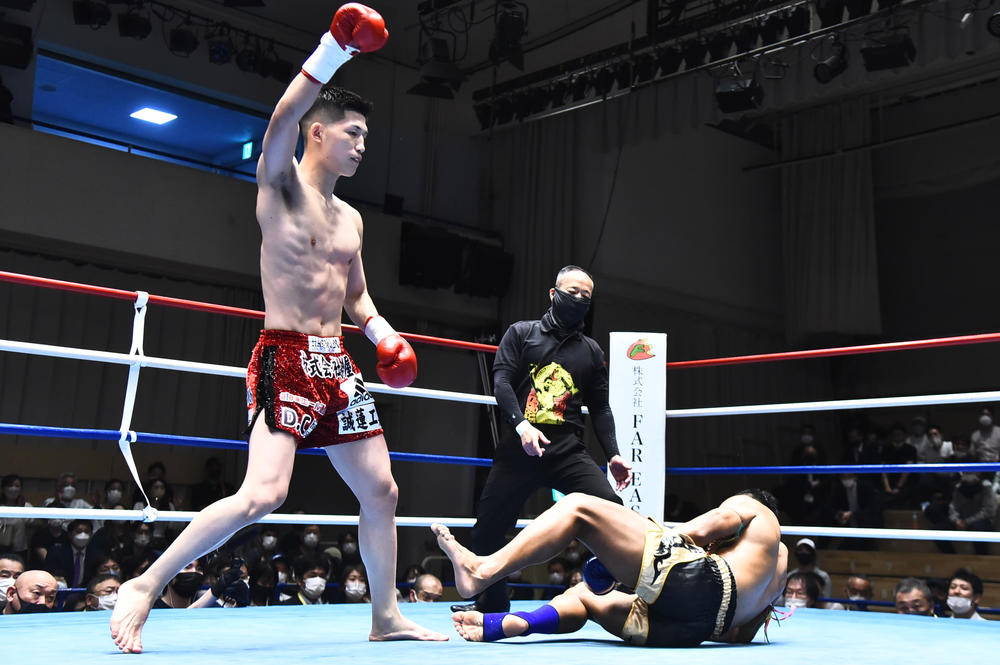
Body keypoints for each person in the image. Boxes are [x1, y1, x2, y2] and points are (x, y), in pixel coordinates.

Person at [109, 4, 445, 651]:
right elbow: (281, 118)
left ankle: (385, 616)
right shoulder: (279, 185)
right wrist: (333, 50)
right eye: (353, 133)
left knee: (382, 489)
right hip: (284, 357)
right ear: (318, 133)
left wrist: (383, 337)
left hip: (337, 365)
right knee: (264, 492)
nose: (362, 145)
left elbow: (358, 296)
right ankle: (145, 584)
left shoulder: (352, 219)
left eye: (366, 137)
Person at [457, 265, 633, 614]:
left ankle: (628, 593)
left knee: (613, 512)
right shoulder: (522, 333)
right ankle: (492, 604)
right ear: (553, 294)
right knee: (488, 528)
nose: (578, 299)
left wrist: (613, 454)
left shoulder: (591, 351)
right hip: (519, 448)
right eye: (572, 292)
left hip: (567, 450)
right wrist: (522, 426)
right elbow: (501, 383)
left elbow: (600, 407)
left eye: (585, 296)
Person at [433, 490, 787, 647]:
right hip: (686, 631)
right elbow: (739, 636)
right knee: (584, 596)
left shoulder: (758, 510)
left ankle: (482, 570)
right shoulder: (776, 574)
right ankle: (513, 624)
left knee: (578, 508)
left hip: (700, 583)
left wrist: (626, 560)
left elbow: (716, 522)